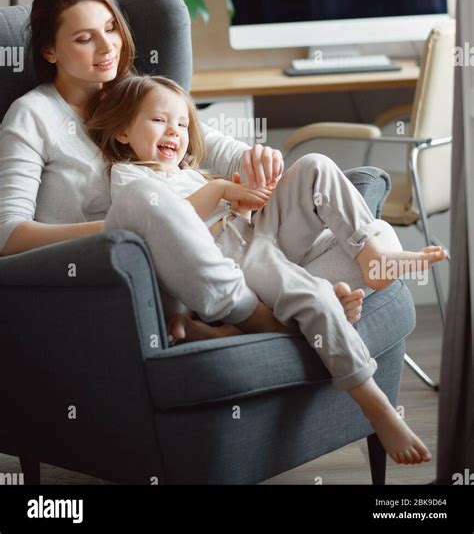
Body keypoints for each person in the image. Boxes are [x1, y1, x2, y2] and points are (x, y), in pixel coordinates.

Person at [86, 73, 447, 466]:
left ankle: (372, 255)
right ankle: (375, 405)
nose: (174, 131)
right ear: (122, 132)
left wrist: (243, 202)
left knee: (314, 165)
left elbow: (230, 211)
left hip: (255, 233)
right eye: (159, 120)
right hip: (237, 263)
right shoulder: (128, 177)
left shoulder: (189, 173)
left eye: (183, 124)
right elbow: (172, 220)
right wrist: (221, 190)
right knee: (313, 295)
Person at [0, 0, 289, 341]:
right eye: (85, 38)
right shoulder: (32, 115)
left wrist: (257, 157)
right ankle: (256, 318)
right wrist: (125, 228)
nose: (107, 47)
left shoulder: (133, 94)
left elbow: (207, 143)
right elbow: (7, 235)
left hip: (180, 259)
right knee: (165, 208)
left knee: (280, 207)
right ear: (49, 51)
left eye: (111, 29)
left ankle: (293, 301)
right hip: (96, 269)